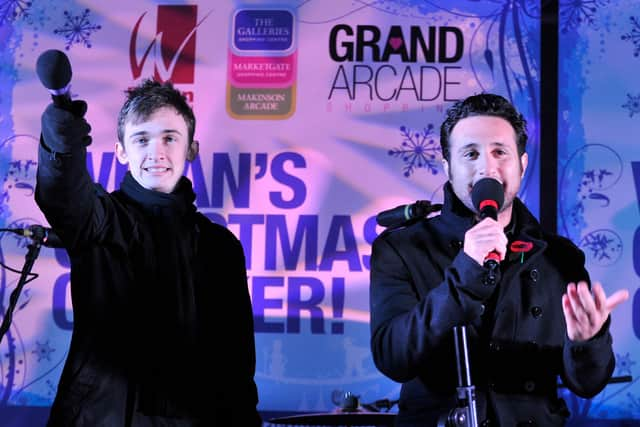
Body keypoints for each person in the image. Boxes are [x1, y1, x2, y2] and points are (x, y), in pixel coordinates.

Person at [369, 93, 629, 427]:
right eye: (471, 153)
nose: (486, 167)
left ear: (521, 164)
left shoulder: (559, 257)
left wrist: (586, 341)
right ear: (448, 167)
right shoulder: (403, 248)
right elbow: (393, 357)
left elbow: (588, 383)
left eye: (499, 152)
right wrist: (465, 271)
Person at [36, 79, 261, 426]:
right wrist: (60, 142)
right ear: (122, 151)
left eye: (170, 138)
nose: (156, 152)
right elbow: (62, 194)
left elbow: (237, 365)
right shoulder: (99, 221)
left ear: (191, 148)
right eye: (142, 139)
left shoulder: (220, 247)